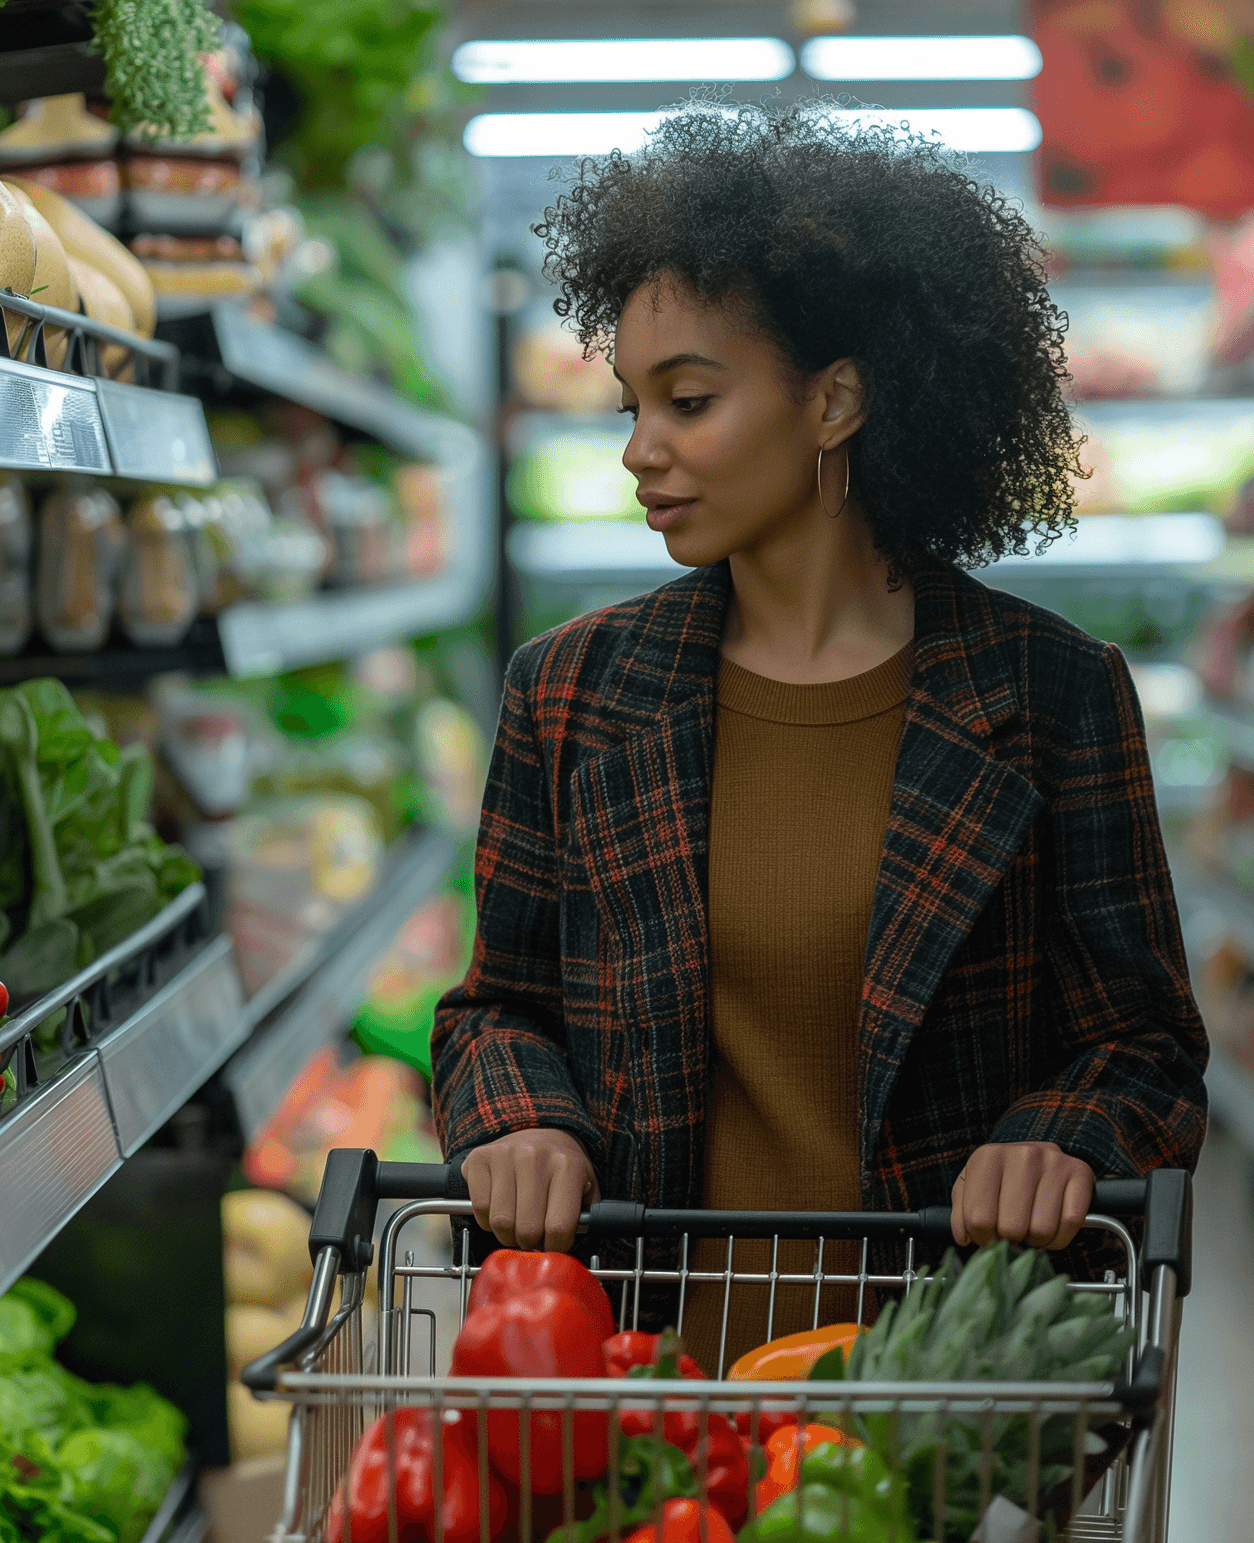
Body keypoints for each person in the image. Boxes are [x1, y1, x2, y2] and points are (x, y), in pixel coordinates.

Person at [433, 100, 1207, 1364]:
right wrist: (523, 1122)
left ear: (835, 400)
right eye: (631, 404)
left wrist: (1060, 1136)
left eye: (687, 400)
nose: (640, 450)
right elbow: (494, 1008)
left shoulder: (1051, 693)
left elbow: (1147, 1045)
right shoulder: (569, 693)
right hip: (638, 1397)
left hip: (934, 1413)